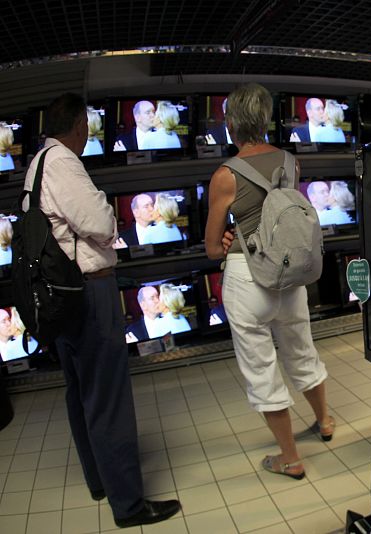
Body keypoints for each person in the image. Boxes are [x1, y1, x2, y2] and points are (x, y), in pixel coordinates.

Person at [24, 93, 180, 527]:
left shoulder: (37, 164)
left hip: (61, 295)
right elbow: (101, 223)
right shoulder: (63, 162)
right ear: (79, 127)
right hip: (88, 292)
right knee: (107, 398)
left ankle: (100, 480)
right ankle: (129, 504)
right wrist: (108, 211)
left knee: (81, 392)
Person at [205, 83, 335, 480]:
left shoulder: (225, 175)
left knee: (261, 367)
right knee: (301, 349)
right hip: (288, 274)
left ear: (231, 124)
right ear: (264, 119)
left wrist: (227, 237)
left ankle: (290, 458)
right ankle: (325, 421)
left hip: (248, 279)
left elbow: (212, 247)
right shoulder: (290, 161)